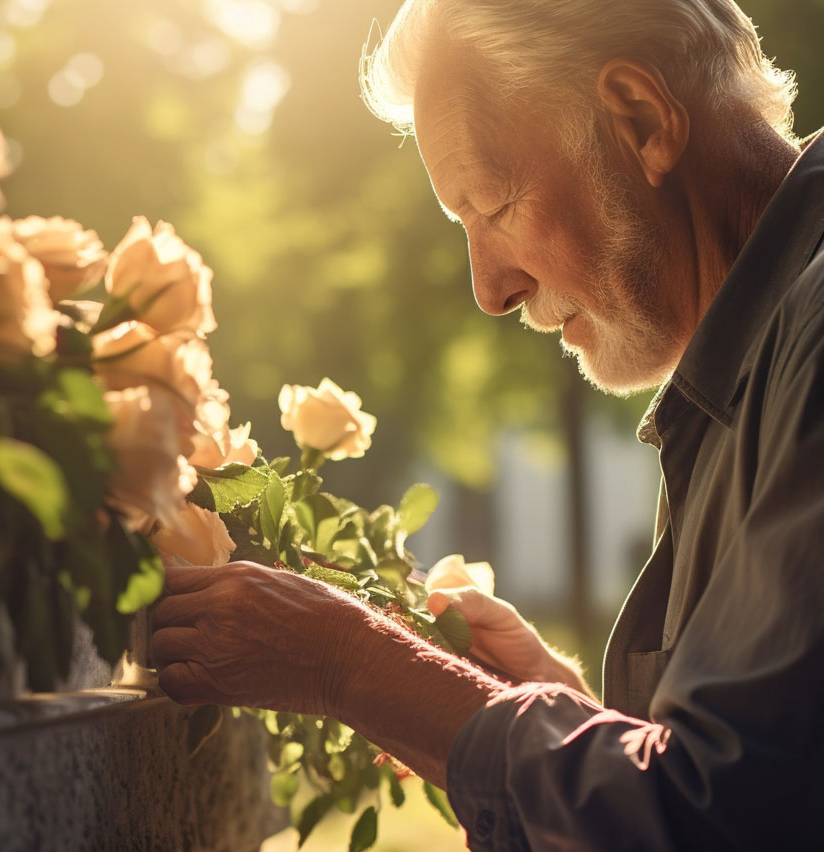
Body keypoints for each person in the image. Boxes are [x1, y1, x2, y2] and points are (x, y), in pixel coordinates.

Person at [151, 1, 824, 847]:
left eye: (494, 206)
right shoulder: (747, 367)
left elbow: (725, 819)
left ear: (642, 120)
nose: (488, 289)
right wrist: (536, 703)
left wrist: (353, 664)